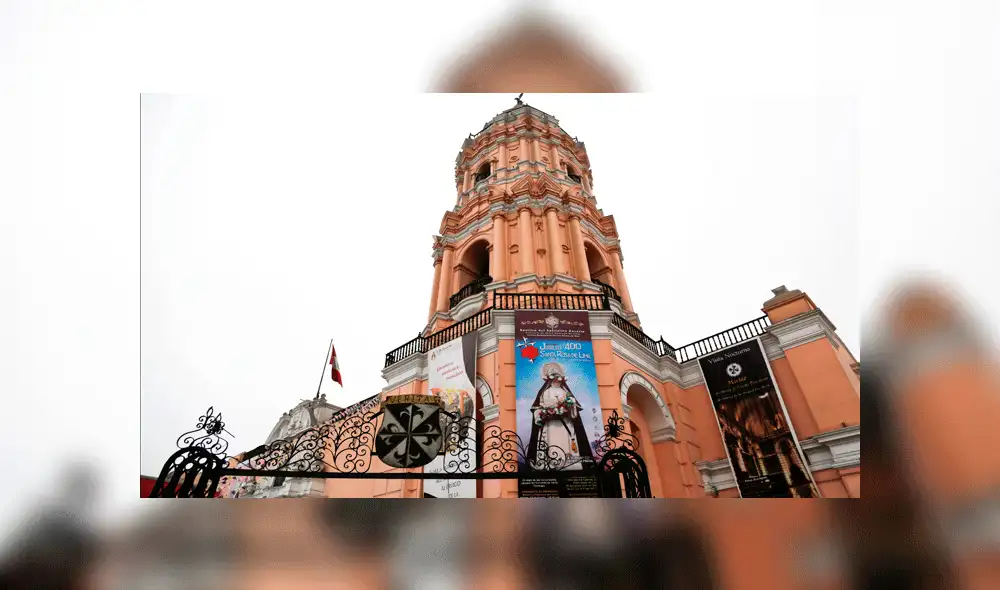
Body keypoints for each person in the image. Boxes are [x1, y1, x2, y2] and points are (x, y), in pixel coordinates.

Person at [525, 362, 594, 470]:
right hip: (550, 425)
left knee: (566, 444)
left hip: (565, 423)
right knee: (551, 444)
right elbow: (539, 407)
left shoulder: (565, 392)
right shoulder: (545, 392)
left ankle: (569, 465)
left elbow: (573, 409)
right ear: (550, 379)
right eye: (554, 378)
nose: (557, 380)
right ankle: (550, 465)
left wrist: (568, 406)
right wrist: (543, 412)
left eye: (558, 378)